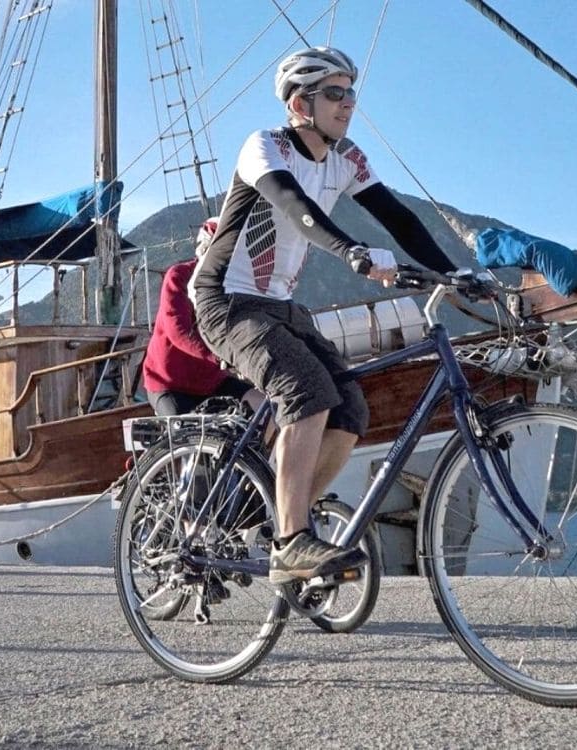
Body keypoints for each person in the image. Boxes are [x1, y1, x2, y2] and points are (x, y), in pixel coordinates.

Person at [190, 46, 459, 584]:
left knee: (350, 408)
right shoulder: (263, 147)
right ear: (299, 104)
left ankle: (279, 522)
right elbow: (296, 207)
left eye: (350, 93)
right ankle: (292, 540)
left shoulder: (347, 159)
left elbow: (399, 219)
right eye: (334, 93)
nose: (347, 104)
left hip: (281, 307)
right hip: (225, 300)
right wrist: (353, 252)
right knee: (305, 391)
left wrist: (454, 274)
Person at [142, 218, 254, 416]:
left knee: (263, 405)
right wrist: (221, 358)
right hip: (170, 382)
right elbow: (179, 331)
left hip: (212, 380)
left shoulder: (234, 285)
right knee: (185, 434)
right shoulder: (179, 276)